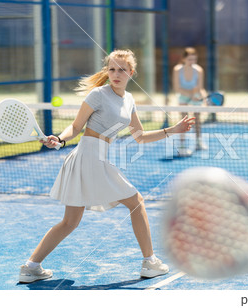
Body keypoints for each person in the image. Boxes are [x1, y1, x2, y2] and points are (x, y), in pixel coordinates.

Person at [18, 49, 195, 283]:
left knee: (70, 222)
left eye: (122, 69)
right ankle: (150, 262)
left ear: (131, 73)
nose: (116, 74)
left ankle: (31, 266)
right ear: (107, 71)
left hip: (97, 158)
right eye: (111, 69)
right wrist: (60, 139)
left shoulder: (129, 99)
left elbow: (139, 136)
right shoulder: (98, 95)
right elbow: (76, 126)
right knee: (136, 202)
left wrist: (172, 130)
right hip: (88, 156)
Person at [172, 47, 208, 156]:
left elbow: (200, 88)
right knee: (184, 120)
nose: (192, 62)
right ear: (184, 59)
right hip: (183, 95)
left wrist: (203, 97)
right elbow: (177, 88)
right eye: (190, 59)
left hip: (195, 94)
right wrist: (190, 95)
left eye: (194, 60)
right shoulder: (177, 69)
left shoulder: (199, 70)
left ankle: (198, 142)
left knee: (197, 119)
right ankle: (182, 147)